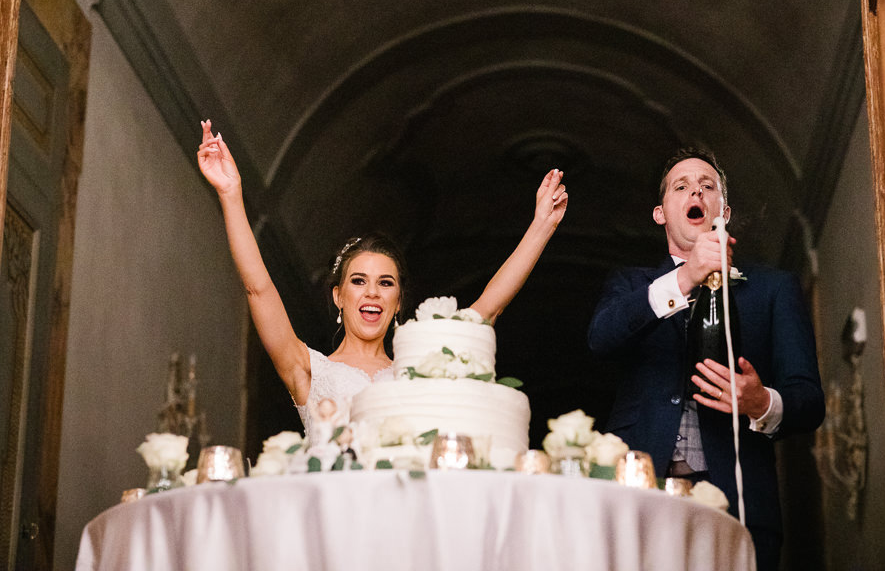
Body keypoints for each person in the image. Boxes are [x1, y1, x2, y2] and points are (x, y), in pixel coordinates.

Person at [196, 120, 568, 432]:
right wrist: (231, 194)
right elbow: (257, 289)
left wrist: (541, 227)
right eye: (358, 281)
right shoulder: (307, 369)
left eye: (385, 283)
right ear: (339, 296)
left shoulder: (421, 371)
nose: (372, 292)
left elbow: (486, 311)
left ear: (398, 301)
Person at [587, 148, 824, 571]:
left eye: (707, 185)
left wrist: (763, 404)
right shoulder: (631, 283)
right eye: (681, 186)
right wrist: (685, 277)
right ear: (661, 213)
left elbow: (808, 400)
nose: (695, 189)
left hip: (739, 502)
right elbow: (601, 339)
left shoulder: (775, 288)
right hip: (637, 493)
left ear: (723, 210)